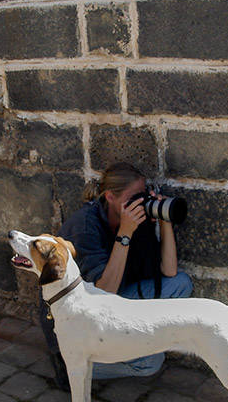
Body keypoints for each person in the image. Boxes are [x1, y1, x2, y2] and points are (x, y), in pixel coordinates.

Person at [39, 162, 193, 389]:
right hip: (79, 322)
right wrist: (125, 234)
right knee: (149, 362)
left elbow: (169, 272)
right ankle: (70, 365)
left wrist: (163, 220)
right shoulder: (84, 227)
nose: (141, 202)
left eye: (143, 195)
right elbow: (103, 293)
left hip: (114, 306)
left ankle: (128, 343)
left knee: (181, 284)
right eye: (135, 197)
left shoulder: (134, 218)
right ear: (110, 196)